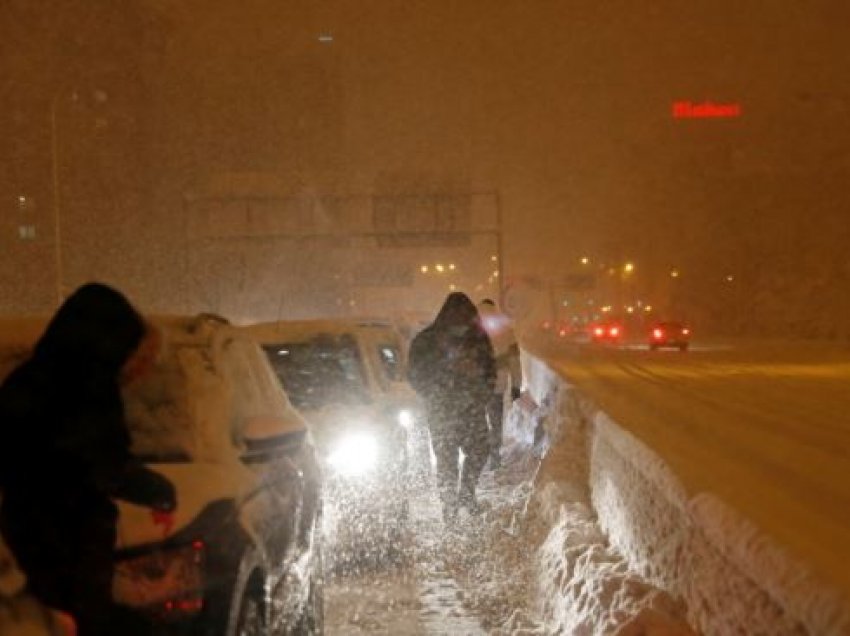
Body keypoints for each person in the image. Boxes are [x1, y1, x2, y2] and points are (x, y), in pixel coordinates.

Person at [0, 283, 177, 636]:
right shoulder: (87, 396)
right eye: (133, 355)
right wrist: (159, 490)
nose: (135, 370)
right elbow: (101, 463)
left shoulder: (27, 381)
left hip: (25, 539)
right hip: (70, 545)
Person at [408, 292, 496, 522]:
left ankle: (466, 494)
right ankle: (449, 508)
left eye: (465, 320)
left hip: (470, 408)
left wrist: (480, 394)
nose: (461, 326)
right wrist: (439, 388)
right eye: (457, 320)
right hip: (442, 411)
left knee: (480, 450)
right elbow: (415, 375)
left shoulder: (478, 340)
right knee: (446, 460)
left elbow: (490, 372)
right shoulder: (426, 341)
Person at [477, 298, 522, 468]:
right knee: (495, 420)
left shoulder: (469, 325)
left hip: (475, 386)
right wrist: (516, 385)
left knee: (477, 419)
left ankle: (479, 453)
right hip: (498, 382)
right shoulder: (506, 329)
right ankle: (494, 455)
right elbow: (514, 361)